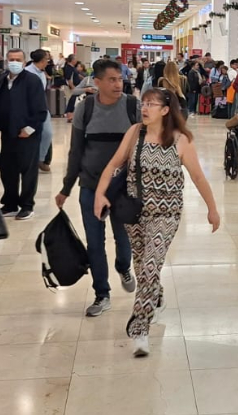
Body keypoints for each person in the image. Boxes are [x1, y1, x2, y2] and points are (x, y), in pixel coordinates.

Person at [93, 88, 220, 356]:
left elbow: (198, 177)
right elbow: (114, 164)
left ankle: (140, 327)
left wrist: (212, 209)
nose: (145, 108)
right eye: (144, 103)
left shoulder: (180, 140)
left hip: (167, 213)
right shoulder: (135, 133)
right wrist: (100, 194)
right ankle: (156, 295)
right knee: (142, 266)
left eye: (151, 104)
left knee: (150, 266)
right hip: (135, 212)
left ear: (165, 110)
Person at [58, 58, 139, 317]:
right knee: (94, 241)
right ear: (98, 82)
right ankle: (101, 293)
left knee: (123, 236)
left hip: (124, 187)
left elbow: (143, 147)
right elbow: (76, 150)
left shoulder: (132, 106)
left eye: (121, 78)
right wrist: (67, 187)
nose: (119, 84)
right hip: (91, 186)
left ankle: (123, 265)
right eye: (112, 79)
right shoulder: (87, 108)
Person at [0, 47, 47, 220]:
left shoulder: (32, 81)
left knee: (27, 170)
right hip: (8, 133)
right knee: (8, 169)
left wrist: (29, 129)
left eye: (18, 59)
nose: (14, 63)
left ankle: (27, 205)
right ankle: (10, 203)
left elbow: (40, 110)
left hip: (28, 134)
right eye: (11, 59)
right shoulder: (2, 80)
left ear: (24, 61)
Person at [25, 49, 54, 173]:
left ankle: (40, 158)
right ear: (42, 61)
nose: (48, 62)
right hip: (28, 108)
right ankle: (29, 160)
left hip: (42, 107)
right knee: (31, 133)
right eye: (47, 59)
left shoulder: (42, 73)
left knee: (47, 133)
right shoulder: (26, 73)